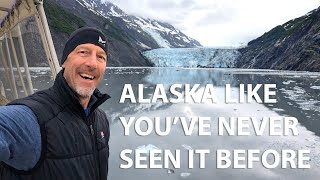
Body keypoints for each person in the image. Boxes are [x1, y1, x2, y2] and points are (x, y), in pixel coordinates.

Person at [0, 27, 110, 180]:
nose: (93, 63)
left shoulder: (100, 118)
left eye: (101, 57)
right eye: (83, 52)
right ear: (64, 61)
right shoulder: (31, 117)